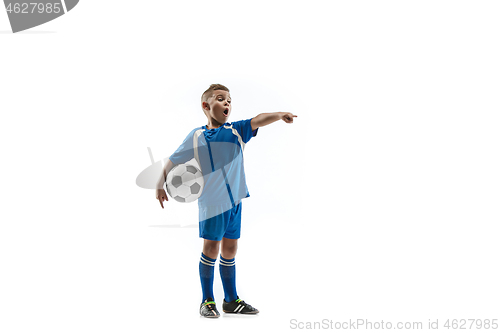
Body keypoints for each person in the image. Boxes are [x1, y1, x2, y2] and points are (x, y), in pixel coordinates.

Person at [155, 84, 297, 318]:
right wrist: (160, 183)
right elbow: (173, 159)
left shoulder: (236, 130)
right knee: (211, 249)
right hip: (212, 203)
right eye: (221, 99)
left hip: (235, 203)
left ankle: (230, 300)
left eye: (229, 100)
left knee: (230, 249)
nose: (227, 104)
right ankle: (207, 300)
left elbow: (258, 119)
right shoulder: (197, 135)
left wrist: (279, 115)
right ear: (206, 106)